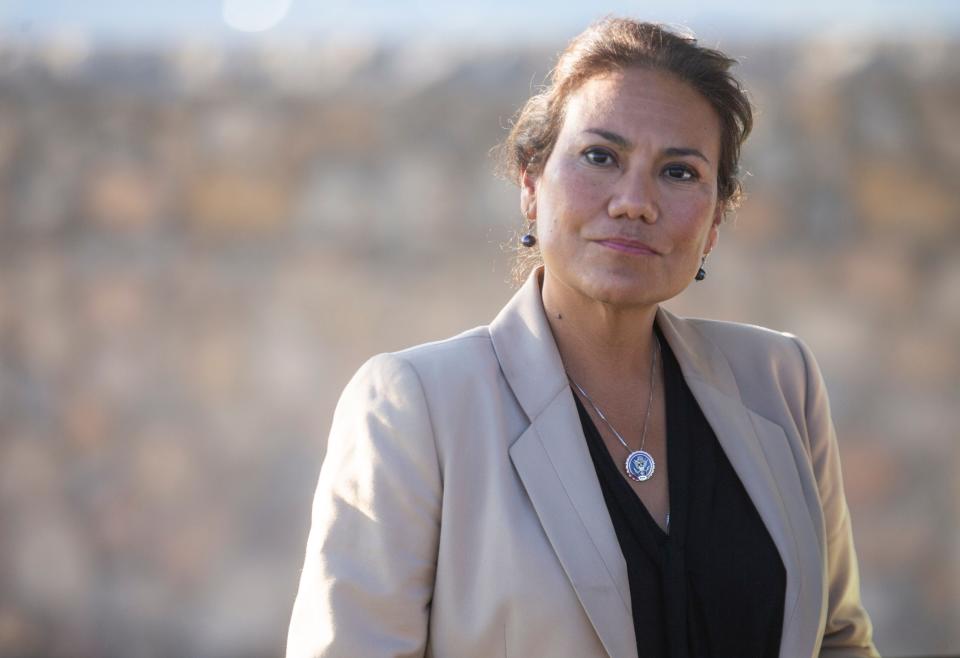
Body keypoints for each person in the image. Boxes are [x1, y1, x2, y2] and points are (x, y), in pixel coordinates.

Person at [287, 17, 879, 658]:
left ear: (714, 222)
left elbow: (837, 640)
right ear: (530, 183)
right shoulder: (415, 408)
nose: (634, 201)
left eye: (679, 173)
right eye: (601, 157)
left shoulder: (779, 381)